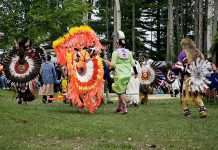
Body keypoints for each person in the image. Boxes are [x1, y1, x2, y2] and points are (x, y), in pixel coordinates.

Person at [177, 38, 207, 118]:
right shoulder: (197, 52)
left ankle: (186, 112)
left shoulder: (183, 53)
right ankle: (202, 109)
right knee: (196, 93)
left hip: (187, 77)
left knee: (185, 94)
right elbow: (203, 62)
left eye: (182, 45)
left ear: (184, 45)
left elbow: (179, 65)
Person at [111, 31, 138, 114]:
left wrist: (111, 70)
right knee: (121, 90)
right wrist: (136, 72)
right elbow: (133, 63)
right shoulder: (129, 52)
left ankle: (124, 107)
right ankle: (119, 107)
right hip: (127, 75)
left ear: (118, 44)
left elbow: (113, 64)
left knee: (119, 91)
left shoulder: (115, 52)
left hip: (119, 75)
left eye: (116, 43)